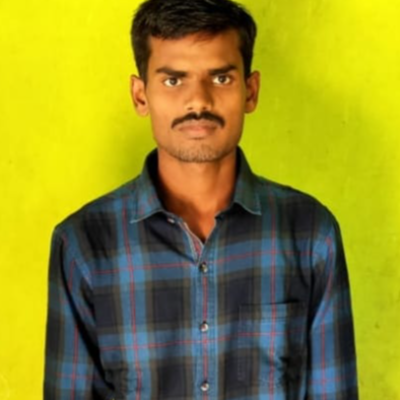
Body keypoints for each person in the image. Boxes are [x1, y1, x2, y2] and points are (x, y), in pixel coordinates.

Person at [43, 0, 358, 398]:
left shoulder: (310, 234)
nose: (198, 102)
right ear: (140, 96)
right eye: (173, 81)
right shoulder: (84, 245)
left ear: (251, 91)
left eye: (221, 78)